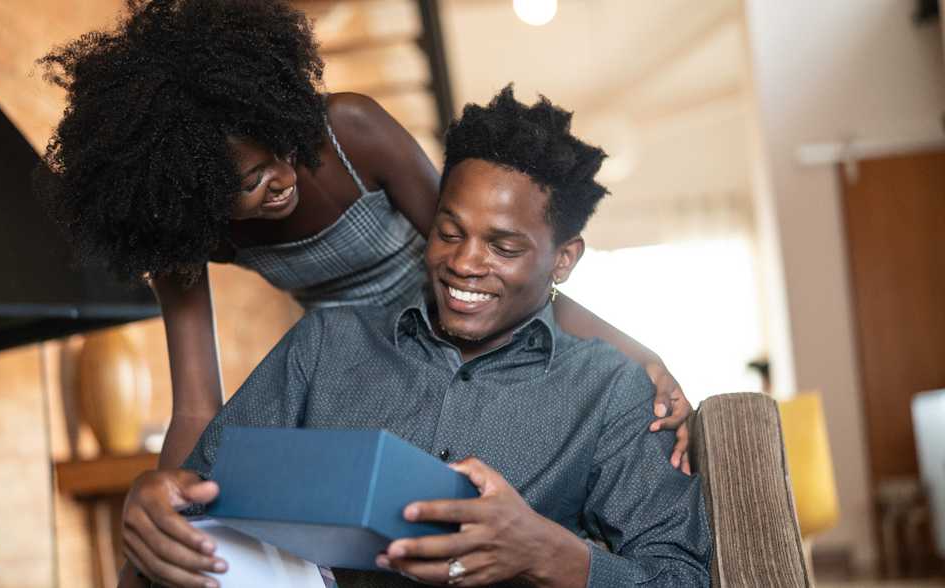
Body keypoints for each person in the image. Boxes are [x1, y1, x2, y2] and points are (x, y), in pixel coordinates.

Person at [34, 0, 692, 473]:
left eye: (282, 148)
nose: (286, 177)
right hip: (364, 371)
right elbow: (197, 409)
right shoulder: (191, 237)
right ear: (195, 195)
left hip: (466, 329)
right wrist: (159, 520)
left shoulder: (351, 131)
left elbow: (487, 271)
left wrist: (640, 354)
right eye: (255, 179)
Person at [121, 86, 711, 588]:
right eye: (448, 232)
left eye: (503, 247)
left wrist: (546, 551)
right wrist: (153, 499)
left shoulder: (611, 395)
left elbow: (682, 576)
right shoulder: (324, 345)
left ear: (564, 261)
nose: (465, 264)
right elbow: (204, 484)